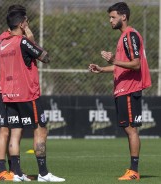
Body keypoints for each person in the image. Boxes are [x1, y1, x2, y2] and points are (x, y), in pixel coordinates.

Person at [0, 10, 65, 182]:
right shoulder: (22, 41)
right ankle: (43, 173)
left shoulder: (1, 43)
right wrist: (30, 36)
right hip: (27, 94)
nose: (27, 24)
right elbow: (45, 57)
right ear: (21, 24)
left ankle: (17, 174)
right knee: (40, 129)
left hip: (9, 95)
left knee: (14, 133)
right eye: (26, 21)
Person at [89, 2, 151, 181]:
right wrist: (102, 69)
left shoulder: (129, 35)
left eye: (113, 17)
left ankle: (133, 170)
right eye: (110, 17)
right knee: (128, 129)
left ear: (123, 17)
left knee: (131, 130)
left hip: (129, 89)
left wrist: (114, 60)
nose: (110, 20)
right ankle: (132, 169)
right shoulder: (124, 36)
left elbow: (136, 64)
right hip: (123, 89)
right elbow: (122, 67)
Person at [0, 5, 31, 181]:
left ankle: (14, 170)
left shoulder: (9, 38)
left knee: (15, 130)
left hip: (14, 89)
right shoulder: (7, 38)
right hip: (12, 89)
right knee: (6, 130)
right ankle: (3, 170)